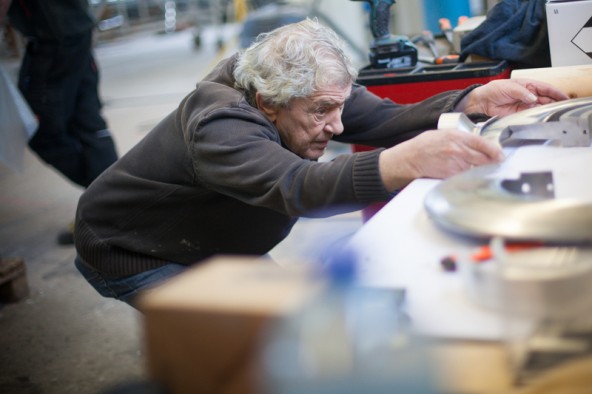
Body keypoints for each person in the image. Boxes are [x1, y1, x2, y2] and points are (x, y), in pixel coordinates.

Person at [73, 18, 568, 308]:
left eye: (337, 106)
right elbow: (298, 187)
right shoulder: (220, 125)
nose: (336, 126)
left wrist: (471, 99)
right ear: (268, 103)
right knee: (245, 345)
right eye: (321, 113)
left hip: (214, 235)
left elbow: (382, 118)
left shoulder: (302, 89)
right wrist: (400, 164)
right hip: (137, 247)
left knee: (288, 325)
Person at [6, 0, 118, 244]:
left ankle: (110, 208)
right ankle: (117, 205)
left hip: (53, 40)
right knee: (90, 124)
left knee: (42, 133)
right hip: (76, 30)